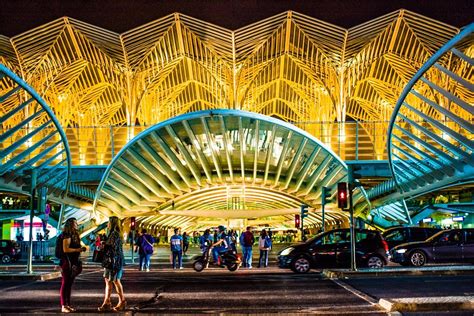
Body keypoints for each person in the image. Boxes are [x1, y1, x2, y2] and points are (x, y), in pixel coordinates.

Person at [98, 216, 126, 312]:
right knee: (108, 281)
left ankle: (122, 301)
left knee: (115, 281)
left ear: (112, 223)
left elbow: (112, 247)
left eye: (109, 222)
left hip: (114, 261)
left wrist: (103, 244)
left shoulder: (114, 234)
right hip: (110, 261)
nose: (107, 224)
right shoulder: (112, 234)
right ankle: (107, 302)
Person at [59, 217, 87, 313]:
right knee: (65, 283)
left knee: (69, 284)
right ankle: (63, 305)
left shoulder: (74, 234)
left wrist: (81, 248)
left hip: (73, 262)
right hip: (67, 262)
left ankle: (68, 305)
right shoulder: (66, 235)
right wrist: (77, 250)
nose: (77, 224)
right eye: (75, 223)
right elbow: (65, 249)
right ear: (71, 224)